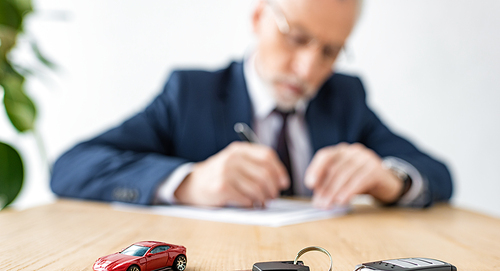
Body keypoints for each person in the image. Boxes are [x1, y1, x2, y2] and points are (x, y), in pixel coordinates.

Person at [50, 0, 453, 209]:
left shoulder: (344, 99)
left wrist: (390, 179)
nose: (309, 69)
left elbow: (439, 174)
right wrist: (189, 182)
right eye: (295, 37)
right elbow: (71, 166)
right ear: (259, 16)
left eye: (330, 52)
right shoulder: (190, 94)